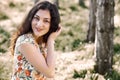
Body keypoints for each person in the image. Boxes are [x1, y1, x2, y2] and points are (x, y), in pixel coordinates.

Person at [10, 1, 61, 80]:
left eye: (46, 21)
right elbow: (50, 73)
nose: (39, 24)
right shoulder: (25, 42)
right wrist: (51, 40)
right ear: (31, 19)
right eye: (36, 18)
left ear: (52, 24)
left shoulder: (41, 41)